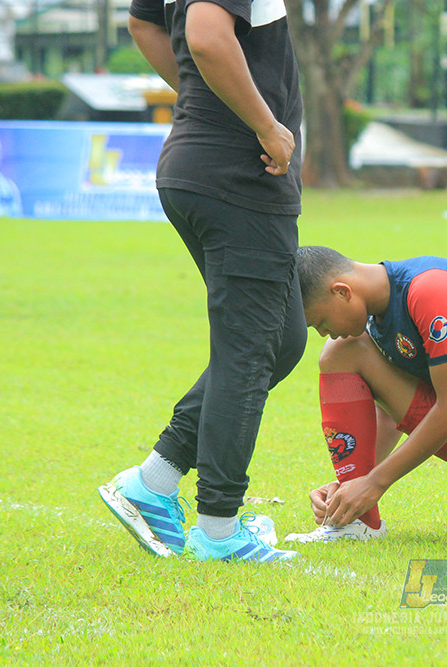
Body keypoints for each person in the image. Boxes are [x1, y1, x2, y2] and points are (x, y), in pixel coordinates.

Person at [97, 0, 306, 564]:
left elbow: (144, 21)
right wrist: (263, 123)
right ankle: (218, 530)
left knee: (280, 341)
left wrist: (208, 96)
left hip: (198, 167)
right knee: (248, 350)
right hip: (240, 173)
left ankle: (153, 482)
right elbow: (208, 38)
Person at [284, 246, 447, 547]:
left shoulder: (428, 290)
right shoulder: (374, 311)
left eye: (321, 322)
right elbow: (388, 412)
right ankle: (358, 521)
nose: (324, 333)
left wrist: (375, 482)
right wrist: (350, 485)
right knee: (341, 353)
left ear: (342, 292)